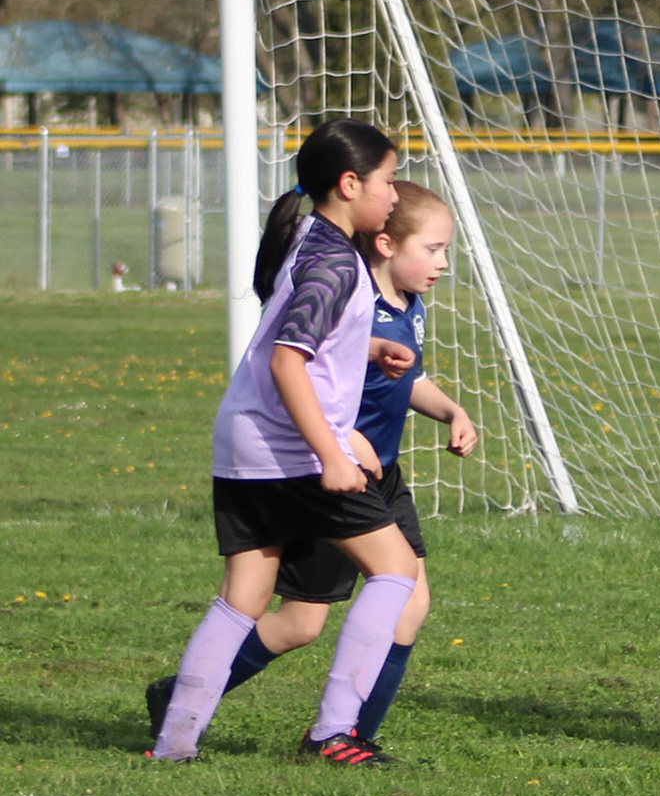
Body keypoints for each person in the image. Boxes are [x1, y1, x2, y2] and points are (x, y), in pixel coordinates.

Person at [145, 182, 473, 752]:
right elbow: (306, 375)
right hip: (331, 474)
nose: (443, 262)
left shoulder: (408, 305)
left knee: (406, 601)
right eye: (433, 249)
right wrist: (345, 441)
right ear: (387, 244)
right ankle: (206, 703)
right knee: (302, 621)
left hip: (381, 475)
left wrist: (451, 411)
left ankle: (351, 734)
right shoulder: (350, 293)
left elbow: (409, 376)